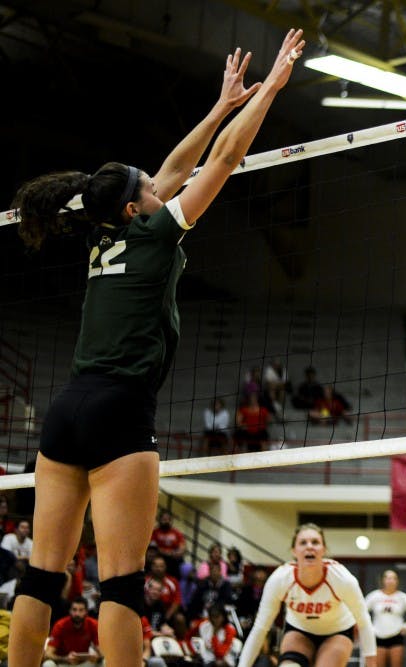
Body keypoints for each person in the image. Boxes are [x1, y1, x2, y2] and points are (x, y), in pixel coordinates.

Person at [10, 33, 306, 661]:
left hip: (67, 409)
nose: (163, 187)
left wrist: (221, 102)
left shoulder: (105, 236)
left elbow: (171, 169)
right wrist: (270, 90)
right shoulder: (154, 235)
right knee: (121, 583)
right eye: (150, 189)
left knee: (42, 574)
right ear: (135, 208)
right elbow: (220, 163)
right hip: (120, 410)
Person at [237, 523, 376, 667]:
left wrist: (371, 663)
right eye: (303, 542)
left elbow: (364, 622)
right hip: (299, 631)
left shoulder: (342, 578)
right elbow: (260, 628)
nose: (309, 546)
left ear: (323, 550)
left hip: (337, 632)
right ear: (294, 551)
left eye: (315, 542)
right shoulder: (280, 579)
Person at [366, 569, 406, 667]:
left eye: (393, 578)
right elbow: (362, 612)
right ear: (383, 580)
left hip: (396, 636)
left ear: (397, 581)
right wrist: (369, 627)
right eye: (388, 578)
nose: (390, 581)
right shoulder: (374, 595)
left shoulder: (403, 597)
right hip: (378, 636)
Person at [41, 597, 102, 667]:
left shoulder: (93, 624)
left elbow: (102, 652)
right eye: (74, 610)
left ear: (86, 612)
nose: (77, 614)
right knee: (48, 664)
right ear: (70, 611)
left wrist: (97, 658)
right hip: (63, 663)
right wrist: (66, 659)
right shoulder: (60, 626)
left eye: (81, 610)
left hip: (83, 663)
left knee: (104, 662)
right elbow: (48, 654)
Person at [150, 511, 187, 579]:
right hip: (160, 556)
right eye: (164, 519)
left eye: (168, 519)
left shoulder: (176, 532)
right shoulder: (154, 532)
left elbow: (182, 547)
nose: (166, 521)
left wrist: (177, 553)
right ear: (159, 520)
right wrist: (166, 553)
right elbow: (153, 547)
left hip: (174, 558)